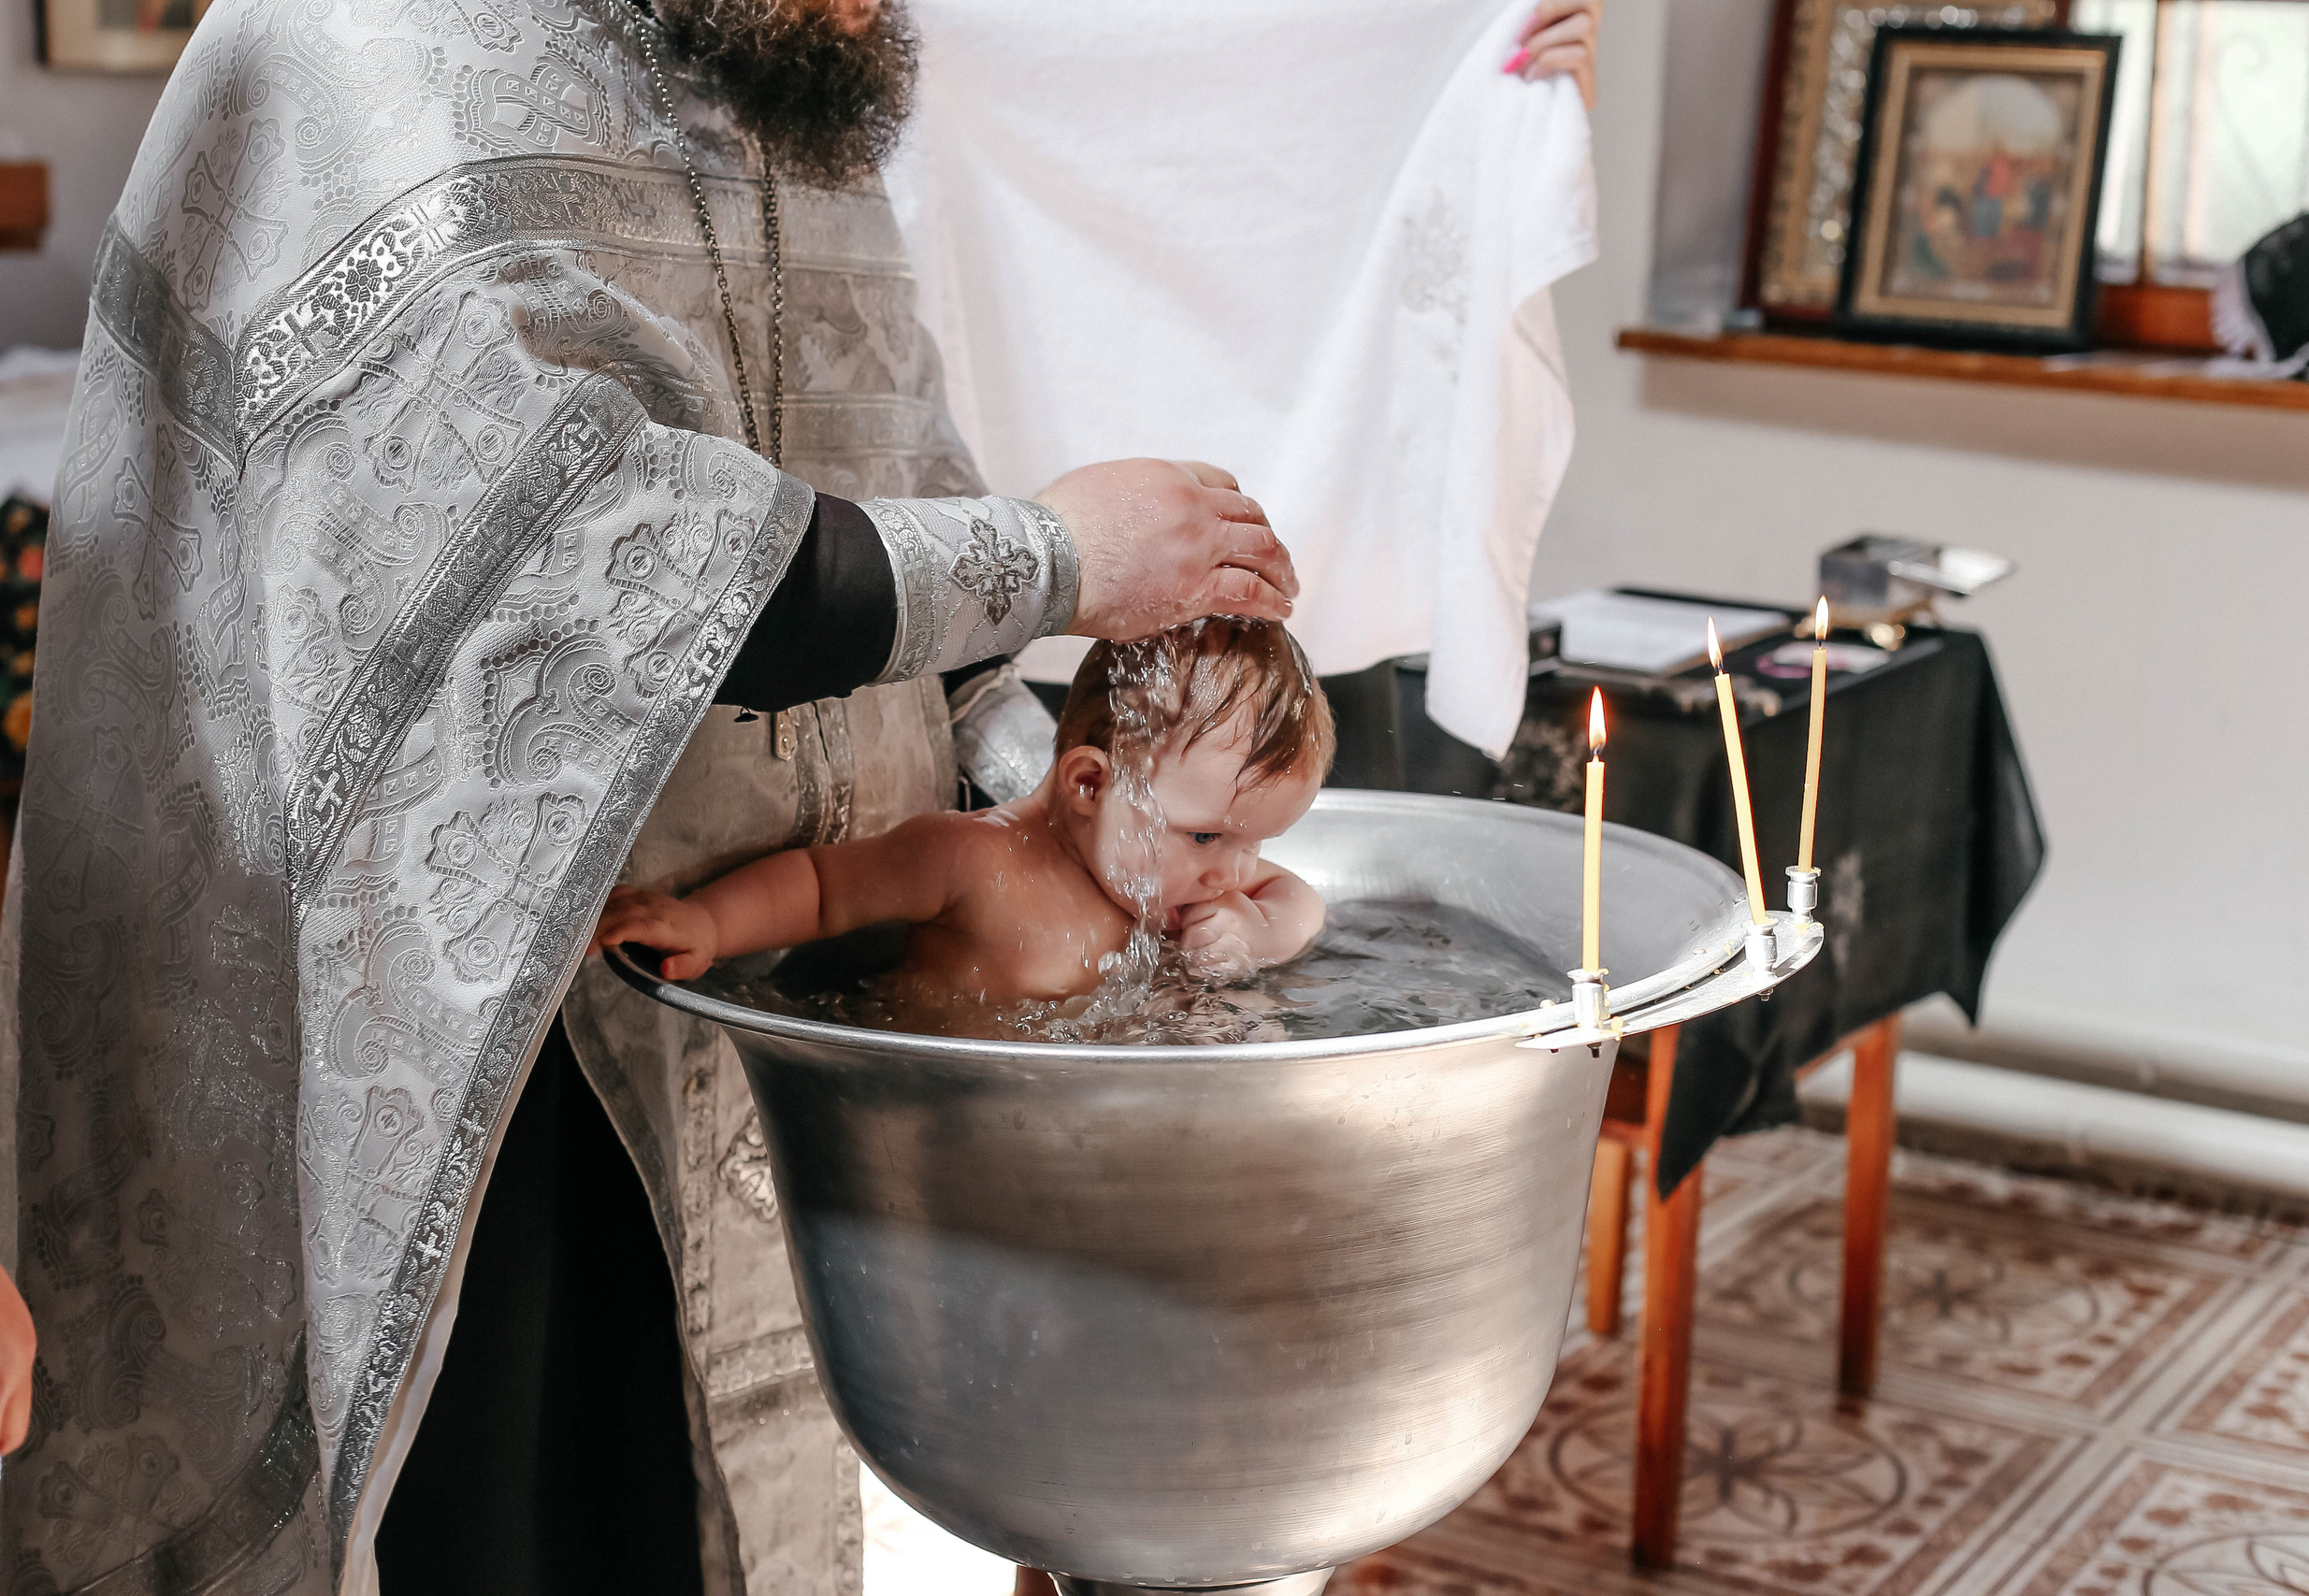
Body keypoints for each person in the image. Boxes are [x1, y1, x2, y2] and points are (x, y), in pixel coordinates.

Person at [0, 0, 1301, 1591]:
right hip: (476, 1043)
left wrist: (1085, 807)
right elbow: (562, 559)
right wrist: (1051, 557)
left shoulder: (783, 96)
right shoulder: (374, 42)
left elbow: (895, 495)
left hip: (738, 1021)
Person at [593, 621, 1335, 1008]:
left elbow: (1301, 901)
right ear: (1089, 784)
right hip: (946, 1111)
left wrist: (1258, 934)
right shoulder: (970, 860)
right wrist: (708, 924)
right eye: (1207, 834)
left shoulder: (1186, 877)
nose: (1233, 870)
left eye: (1257, 842)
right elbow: (822, 888)